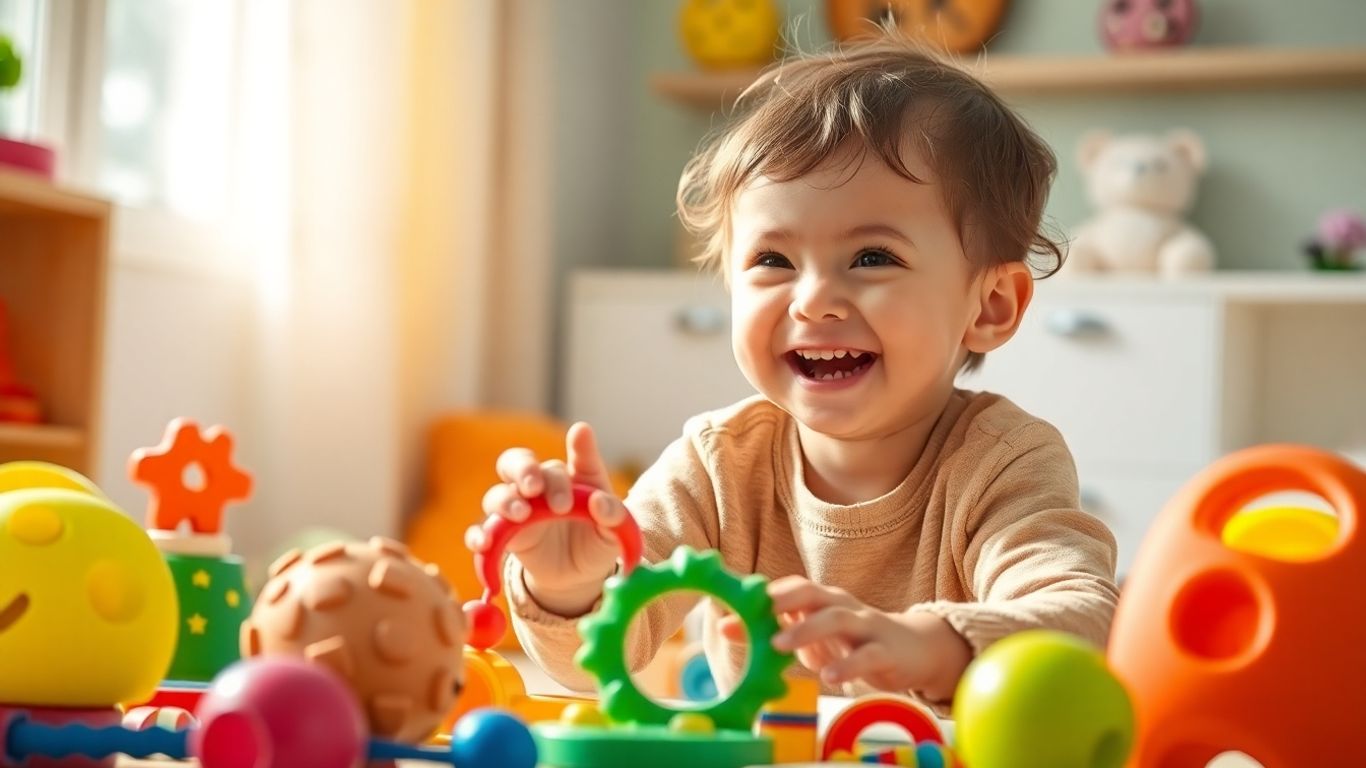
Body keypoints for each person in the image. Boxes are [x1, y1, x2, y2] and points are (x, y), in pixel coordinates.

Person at [465, 31, 1119, 711]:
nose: (813, 301)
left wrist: (934, 644)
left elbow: (1084, 622)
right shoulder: (718, 465)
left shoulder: (1004, 463)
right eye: (773, 261)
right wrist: (571, 586)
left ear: (989, 305)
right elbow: (596, 666)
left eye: (872, 258)